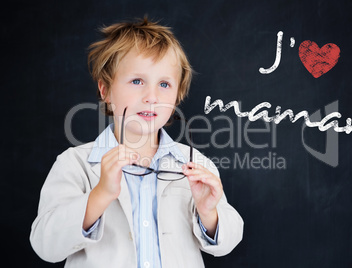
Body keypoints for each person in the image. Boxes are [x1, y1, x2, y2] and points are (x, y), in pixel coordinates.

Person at [30, 17, 243, 267]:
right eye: (137, 81)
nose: (151, 97)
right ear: (105, 90)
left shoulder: (196, 165)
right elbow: (46, 245)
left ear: (177, 96)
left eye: (164, 84)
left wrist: (209, 212)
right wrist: (100, 194)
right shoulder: (74, 164)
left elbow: (228, 241)